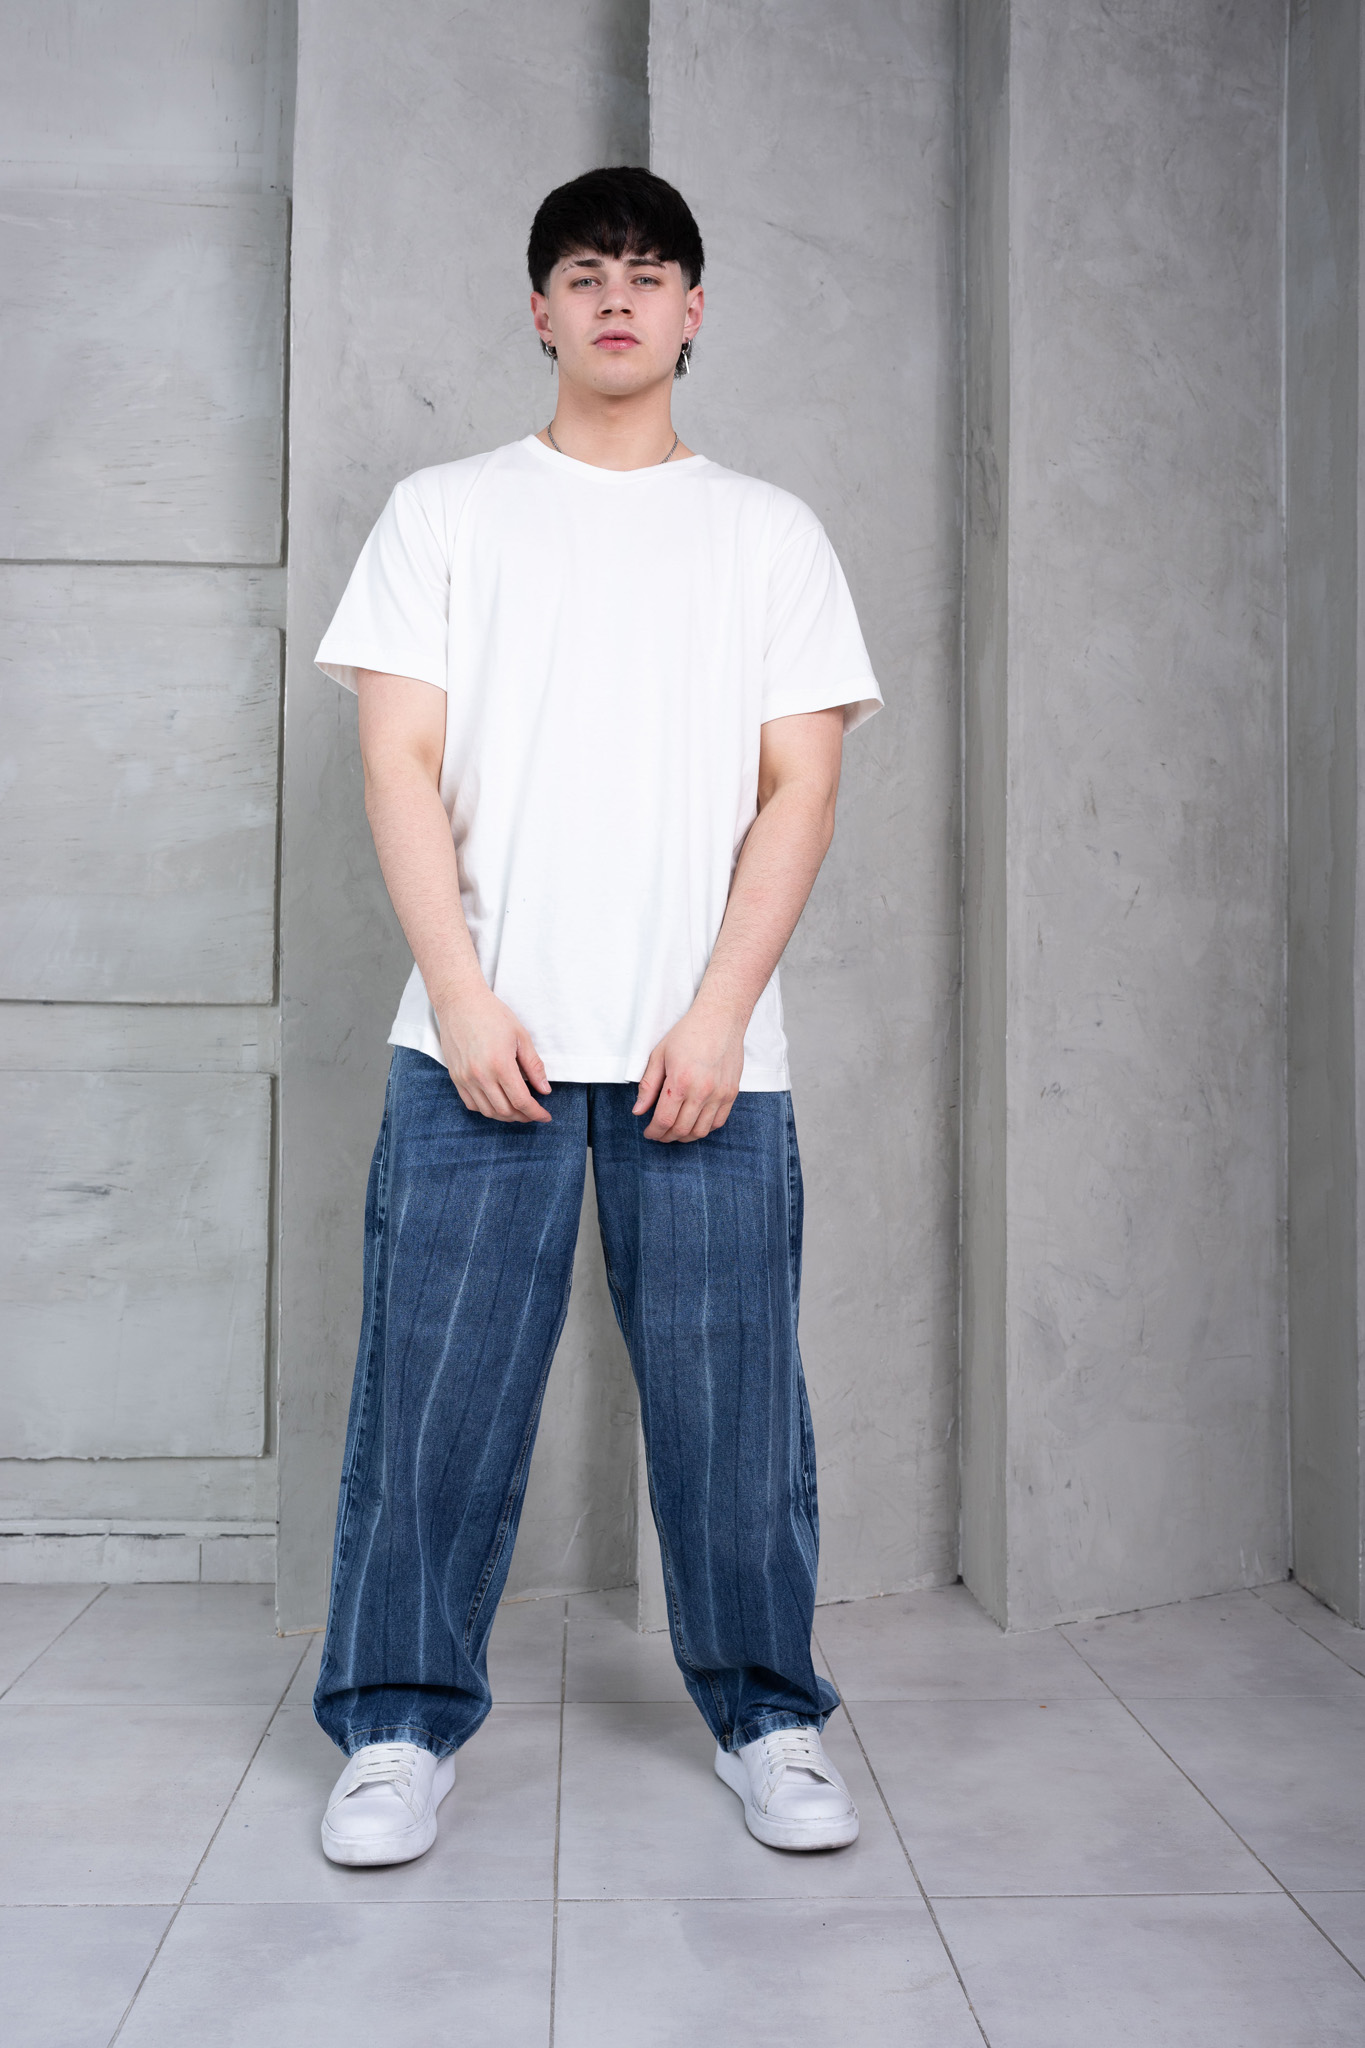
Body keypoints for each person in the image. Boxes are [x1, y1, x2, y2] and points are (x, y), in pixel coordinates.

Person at [310, 165, 883, 1867]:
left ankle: (769, 1718)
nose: (616, 296)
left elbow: (800, 789)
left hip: (704, 1055)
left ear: (693, 312)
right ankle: (396, 1729)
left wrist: (716, 1014)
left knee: (731, 1417)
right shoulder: (443, 512)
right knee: (431, 1406)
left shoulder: (768, 533)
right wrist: (462, 992)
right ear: (539, 310)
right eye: (583, 271)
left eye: (647, 273)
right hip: (474, 1041)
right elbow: (396, 761)